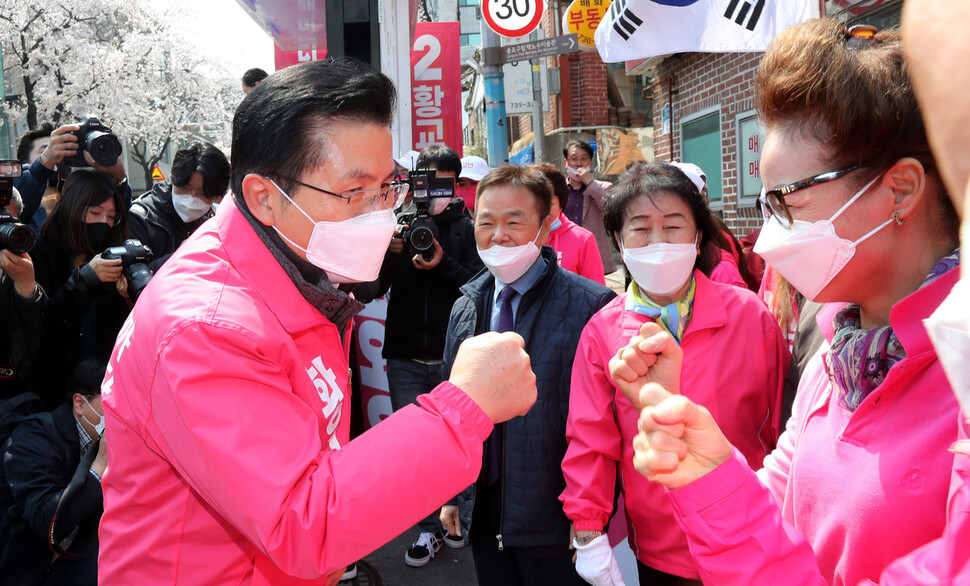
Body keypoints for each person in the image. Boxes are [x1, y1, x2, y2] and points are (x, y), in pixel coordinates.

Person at [97, 57, 537, 585]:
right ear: (265, 196)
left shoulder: (296, 271)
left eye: (385, 188)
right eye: (355, 193)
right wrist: (462, 408)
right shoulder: (204, 326)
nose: (379, 213)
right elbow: (299, 518)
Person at [621, 20, 962, 586]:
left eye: (789, 200)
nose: (772, 234)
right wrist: (705, 468)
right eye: (766, 202)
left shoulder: (962, 377)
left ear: (900, 189)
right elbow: (778, 511)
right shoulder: (835, 351)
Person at [560, 161, 789, 585]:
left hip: (753, 532)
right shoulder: (602, 332)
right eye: (641, 229)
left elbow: (783, 423)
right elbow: (590, 439)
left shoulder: (748, 315)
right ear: (618, 240)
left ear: (698, 235)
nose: (658, 241)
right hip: (659, 547)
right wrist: (588, 528)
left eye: (673, 227)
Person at [438, 165, 616, 586]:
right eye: (486, 222)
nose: (498, 235)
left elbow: (605, 425)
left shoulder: (591, 306)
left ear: (545, 228)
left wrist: (590, 517)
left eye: (514, 222)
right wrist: (450, 498)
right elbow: (449, 407)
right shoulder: (465, 307)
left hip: (555, 519)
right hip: (485, 511)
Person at [364, 143, 483, 567]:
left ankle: (460, 520)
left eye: (442, 183)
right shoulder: (397, 227)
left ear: (455, 184)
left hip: (456, 357)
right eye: (425, 182)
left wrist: (444, 263)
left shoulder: (468, 230)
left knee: (459, 443)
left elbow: (480, 286)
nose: (433, 192)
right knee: (415, 450)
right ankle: (427, 530)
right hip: (405, 357)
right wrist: (388, 256)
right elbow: (370, 290)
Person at [0, 359, 108, 585]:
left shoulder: (101, 441)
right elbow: (45, 520)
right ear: (80, 403)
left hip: (75, 554)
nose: (119, 411)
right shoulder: (33, 437)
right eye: (109, 402)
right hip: (28, 566)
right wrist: (98, 467)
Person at [29, 170, 131, 409]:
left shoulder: (113, 253)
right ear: (73, 208)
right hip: (53, 389)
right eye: (95, 213)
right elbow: (43, 322)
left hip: (102, 388)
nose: (103, 222)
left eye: (110, 217)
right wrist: (84, 279)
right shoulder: (40, 251)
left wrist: (128, 299)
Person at [128, 141, 230, 271]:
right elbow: (131, 278)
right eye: (185, 189)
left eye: (202, 194)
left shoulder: (215, 223)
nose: (192, 198)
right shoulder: (141, 218)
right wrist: (185, 253)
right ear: (172, 179)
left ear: (217, 197)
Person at [15, 124, 132, 232]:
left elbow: (119, 220)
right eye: (45, 150)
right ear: (24, 162)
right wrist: (44, 163)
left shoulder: (82, 196)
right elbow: (12, 209)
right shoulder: (14, 190)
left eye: (65, 149)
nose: (58, 155)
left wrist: (119, 178)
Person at [531, 162, 605, 285]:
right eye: (535, 204)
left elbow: (597, 295)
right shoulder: (519, 236)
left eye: (550, 204)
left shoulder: (583, 239)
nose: (542, 211)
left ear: (561, 202)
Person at [562, 140, 616, 274]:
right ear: (566, 163)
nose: (579, 163)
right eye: (574, 159)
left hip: (593, 253)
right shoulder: (558, 190)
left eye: (583, 159)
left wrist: (590, 183)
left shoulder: (604, 187)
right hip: (566, 252)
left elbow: (611, 208)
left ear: (591, 163)